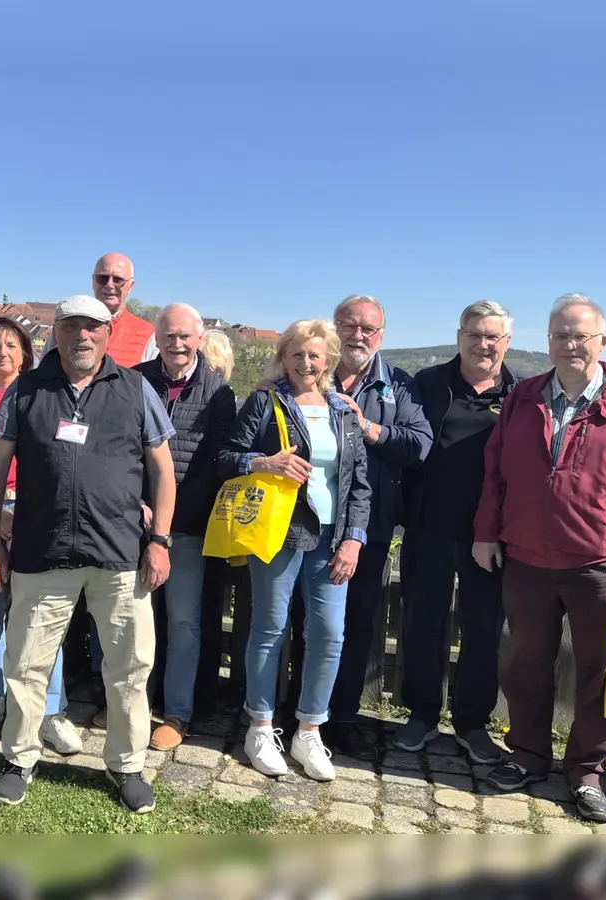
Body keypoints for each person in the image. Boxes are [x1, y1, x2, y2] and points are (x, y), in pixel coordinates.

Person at [472, 294, 606, 824]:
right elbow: (496, 472)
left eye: (580, 335)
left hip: (600, 561)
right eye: (560, 334)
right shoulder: (524, 399)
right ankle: (528, 756)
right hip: (528, 557)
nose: (570, 344)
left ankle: (586, 771)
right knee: (525, 663)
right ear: (549, 342)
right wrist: (486, 533)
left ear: (602, 342)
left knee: (598, 671)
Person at [0, 295, 176, 813]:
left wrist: (159, 541)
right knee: (25, 665)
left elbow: (163, 471)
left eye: (93, 328)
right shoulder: (26, 389)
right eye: (71, 328)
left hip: (119, 553)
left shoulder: (136, 389)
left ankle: (127, 765)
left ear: (109, 335)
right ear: (56, 333)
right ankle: (19, 759)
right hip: (41, 551)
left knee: (130, 666)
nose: (82, 337)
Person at [219, 319, 372, 782]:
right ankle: (261, 727)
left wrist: (354, 537)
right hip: (280, 533)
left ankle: (309, 729)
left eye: (315, 355)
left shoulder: (344, 410)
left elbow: (359, 481)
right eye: (298, 355)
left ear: (329, 360)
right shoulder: (266, 402)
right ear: (284, 357)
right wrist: (265, 461)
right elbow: (226, 457)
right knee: (269, 628)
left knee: (329, 633)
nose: (307, 364)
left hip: (332, 541)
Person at [0, 317, 80, 755]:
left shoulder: (44, 399)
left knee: (44, 617)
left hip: (35, 516)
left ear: (25, 351)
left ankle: (50, 710)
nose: (1, 352)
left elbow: (59, 460)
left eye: (10, 344)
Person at [396, 301, 520, 763]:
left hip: (490, 538)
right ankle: (422, 715)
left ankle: (472, 722)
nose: (483, 343)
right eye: (475, 333)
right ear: (459, 335)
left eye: (493, 336)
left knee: (484, 630)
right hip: (428, 527)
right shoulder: (428, 384)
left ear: (506, 342)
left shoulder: (521, 395)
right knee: (421, 623)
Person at [324, 295, 432, 759]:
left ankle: (343, 719)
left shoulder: (400, 385)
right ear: (335, 327)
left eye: (369, 328)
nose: (358, 335)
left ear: (381, 335)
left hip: (371, 525)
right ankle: (301, 712)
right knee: (305, 622)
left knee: (356, 625)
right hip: (312, 521)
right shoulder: (311, 372)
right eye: (349, 325)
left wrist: (368, 428)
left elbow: (420, 444)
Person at [134, 303, 236, 751]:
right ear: (158, 339)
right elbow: (119, 448)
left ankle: (177, 711)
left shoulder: (218, 393)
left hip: (188, 527)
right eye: (169, 336)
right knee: (133, 619)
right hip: (132, 520)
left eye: (185, 337)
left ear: (200, 339)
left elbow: (215, 466)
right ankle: (131, 701)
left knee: (184, 622)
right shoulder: (133, 380)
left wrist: (167, 516)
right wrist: (134, 501)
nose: (177, 344)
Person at [42, 253, 157, 365]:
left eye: (118, 280)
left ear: (130, 286)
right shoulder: (65, 326)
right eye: (103, 278)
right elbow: (43, 373)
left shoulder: (147, 335)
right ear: (93, 281)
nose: (109, 285)